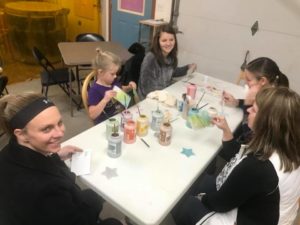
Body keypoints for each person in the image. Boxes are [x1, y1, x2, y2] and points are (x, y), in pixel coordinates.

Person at [173, 87, 300, 225]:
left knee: (185, 204)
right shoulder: (286, 146)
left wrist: (201, 198)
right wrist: (226, 130)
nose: (249, 110)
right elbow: (240, 160)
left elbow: (220, 203)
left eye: (254, 110)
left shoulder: (259, 167)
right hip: (263, 208)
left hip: (248, 218)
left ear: (268, 123)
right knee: (201, 181)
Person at [0, 93, 122, 225]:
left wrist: (55, 157)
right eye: (47, 129)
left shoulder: (7, 153)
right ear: (22, 134)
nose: (60, 133)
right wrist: (97, 196)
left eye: (59, 123)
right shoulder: (46, 189)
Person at [137, 24, 197, 99]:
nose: (168, 43)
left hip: (164, 94)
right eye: (164, 40)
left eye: (171, 40)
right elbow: (147, 88)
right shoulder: (150, 58)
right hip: (149, 98)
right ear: (158, 41)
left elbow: (172, 72)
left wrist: (187, 67)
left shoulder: (171, 57)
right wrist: (166, 96)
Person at [88, 48, 137, 124]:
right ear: (100, 72)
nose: (115, 76)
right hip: (106, 123)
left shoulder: (113, 81)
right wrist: (105, 100)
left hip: (119, 116)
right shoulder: (94, 90)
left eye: (116, 73)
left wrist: (129, 87)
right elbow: (92, 115)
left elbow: (120, 90)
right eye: (112, 74)